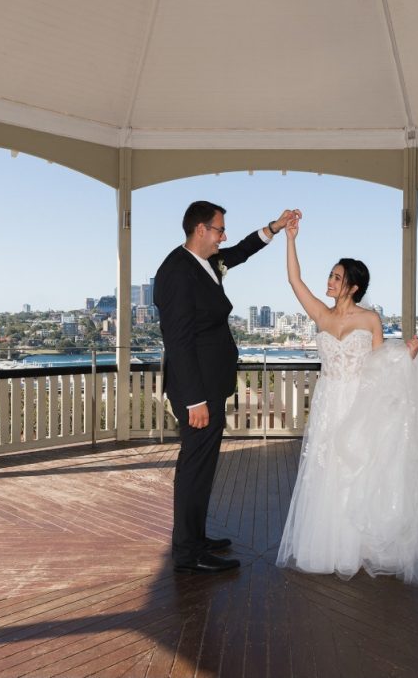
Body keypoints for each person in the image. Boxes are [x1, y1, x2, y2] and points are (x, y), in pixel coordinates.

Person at [275, 217, 418, 585]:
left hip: (357, 402)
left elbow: (381, 365)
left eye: (336, 278)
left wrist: (409, 354)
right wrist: (290, 239)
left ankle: (355, 546)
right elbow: (294, 280)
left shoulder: (371, 320)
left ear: (352, 286)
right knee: (325, 470)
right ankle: (324, 547)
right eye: (331, 276)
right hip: (327, 402)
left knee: (356, 469)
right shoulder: (320, 314)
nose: (329, 281)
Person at [154, 200, 300, 574]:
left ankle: (197, 538)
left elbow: (241, 252)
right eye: (219, 229)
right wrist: (194, 400)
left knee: (203, 468)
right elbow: (179, 341)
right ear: (200, 230)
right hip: (197, 392)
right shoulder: (176, 272)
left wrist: (275, 226)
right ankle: (187, 553)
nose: (224, 236)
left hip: (211, 385)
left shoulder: (207, 262)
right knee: (194, 468)